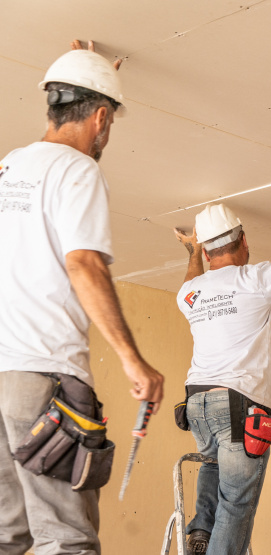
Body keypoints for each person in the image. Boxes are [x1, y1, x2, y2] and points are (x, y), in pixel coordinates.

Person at [0, 40, 165, 554]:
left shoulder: (9, 167)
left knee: (9, 533)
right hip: (41, 379)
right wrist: (134, 362)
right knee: (67, 539)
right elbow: (84, 264)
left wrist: (92, 72)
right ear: (99, 118)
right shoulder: (78, 171)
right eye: (108, 122)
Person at [173, 183, 271, 553]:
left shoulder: (190, 294)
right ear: (244, 240)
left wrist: (193, 251)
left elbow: (192, 283)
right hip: (236, 404)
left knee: (213, 466)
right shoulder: (254, 279)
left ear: (208, 251)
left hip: (196, 402)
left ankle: (201, 533)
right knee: (237, 503)